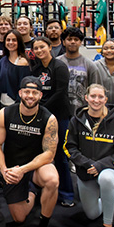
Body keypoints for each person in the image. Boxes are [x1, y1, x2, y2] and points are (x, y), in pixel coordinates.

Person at [0, 76, 61, 227]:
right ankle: (32, 191)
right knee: (19, 219)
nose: (30, 96)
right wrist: (4, 170)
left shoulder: (49, 118)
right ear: (20, 93)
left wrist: (24, 170)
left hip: (36, 166)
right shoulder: (5, 114)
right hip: (13, 168)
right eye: (27, 92)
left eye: (35, 92)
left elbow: (49, 154)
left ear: (40, 95)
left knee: (52, 180)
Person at [64, 84, 114, 227]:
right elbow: (69, 147)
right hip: (85, 171)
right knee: (92, 214)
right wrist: (87, 164)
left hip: (107, 170)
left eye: (100, 97)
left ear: (106, 100)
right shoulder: (76, 121)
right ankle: (110, 198)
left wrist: (100, 165)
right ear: (86, 98)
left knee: (106, 179)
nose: (96, 100)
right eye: (93, 96)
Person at [31, 37, 74, 207]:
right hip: (42, 117)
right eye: (36, 48)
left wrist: (42, 109)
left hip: (60, 116)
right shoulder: (36, 69)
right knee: (40, 155)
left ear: (50, 47)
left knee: (61, 156)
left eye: (42, 47)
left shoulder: (59, 66)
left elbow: (60, 92)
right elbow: (34, 91)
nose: (39, 50)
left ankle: (67, 193)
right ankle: (42, 188)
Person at [56, 27, 103, 112]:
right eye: (69, 39)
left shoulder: (90, 65)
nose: (73, 42)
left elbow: (96, 91)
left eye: (76, 39)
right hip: (60, 112)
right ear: (63, 42)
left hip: (83, 112)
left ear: (80, 42)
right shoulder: (56, 63)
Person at [0, 30, 31, 109]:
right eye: (8, 40)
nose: (10, 42)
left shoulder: (23, 62)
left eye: (14, 40)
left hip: (16, 106)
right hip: (2, 104)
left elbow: (23, 87)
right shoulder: (2, 61)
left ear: (19, 42)